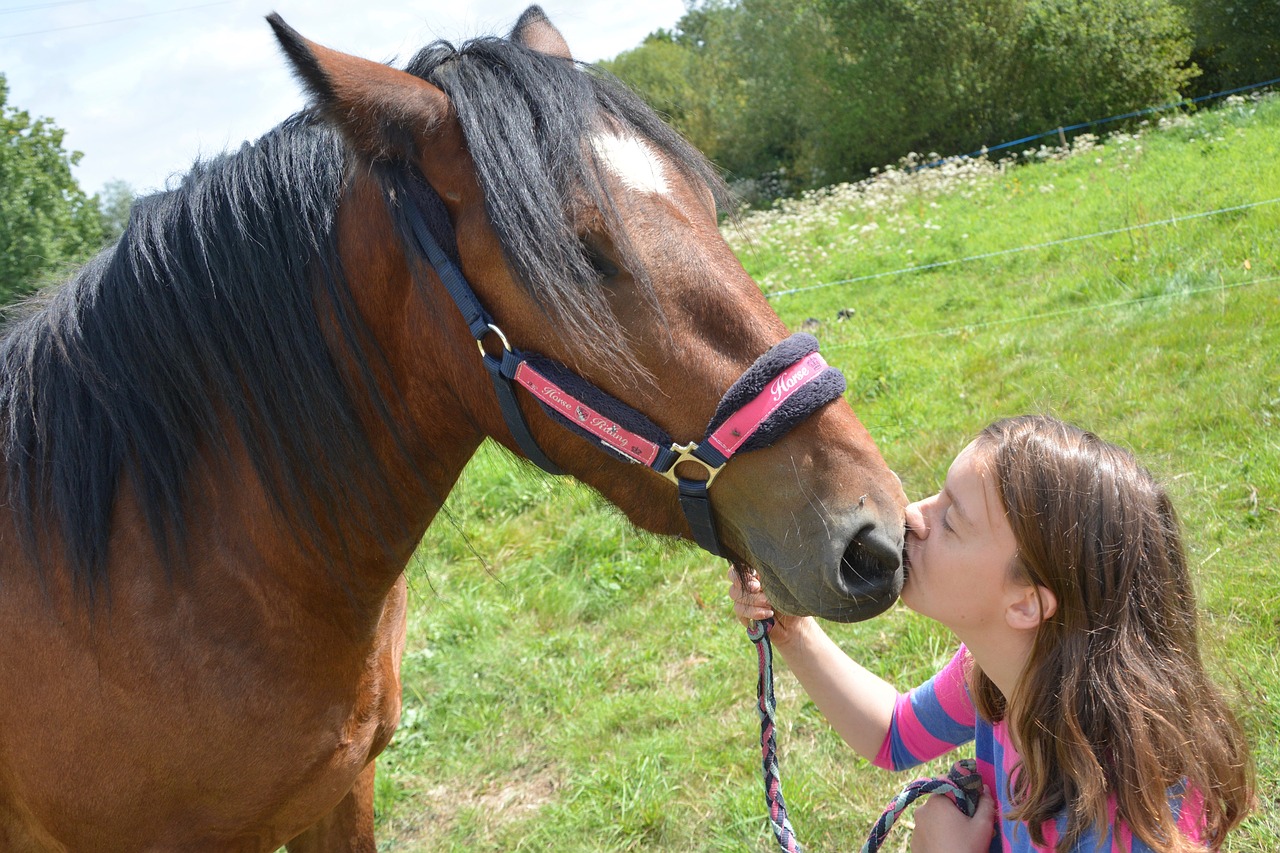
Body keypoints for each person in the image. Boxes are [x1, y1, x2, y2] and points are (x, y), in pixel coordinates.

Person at [728, 415, 1253, 852]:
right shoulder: (1002, 673)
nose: (913, 515)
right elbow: (894, 733)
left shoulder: (1123, 825)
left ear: (1026, 603)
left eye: (952, 520)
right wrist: (794, 632)